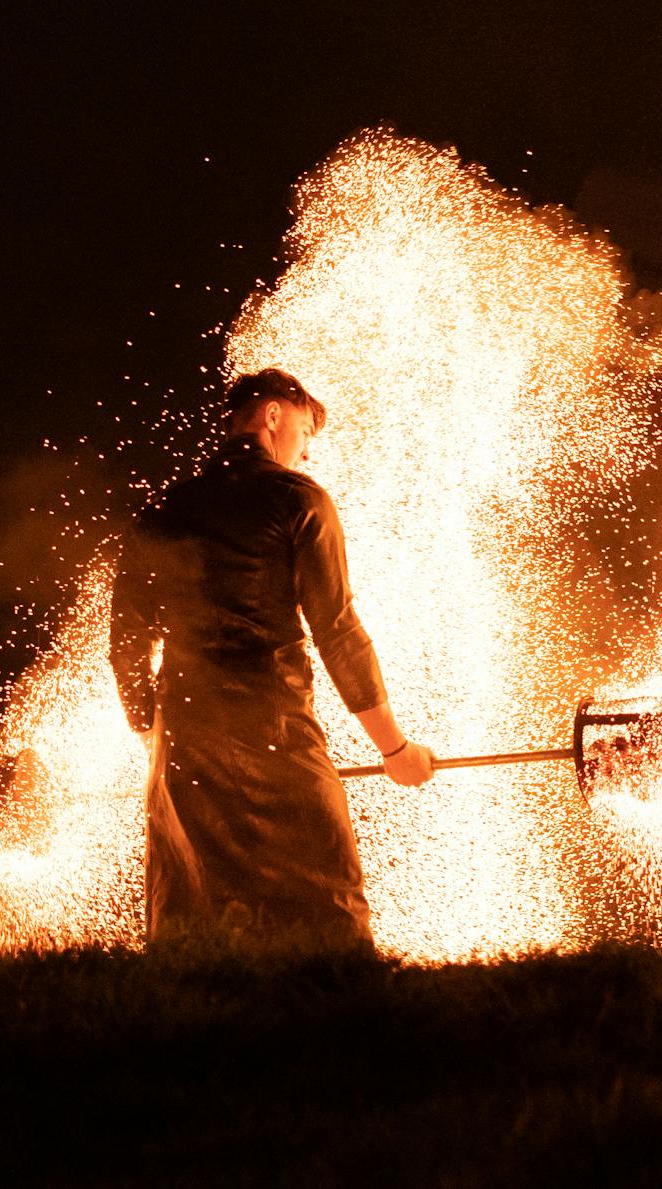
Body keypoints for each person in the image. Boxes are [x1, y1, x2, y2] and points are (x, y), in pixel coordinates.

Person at [108, 367, 436, 948]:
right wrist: (394, 749)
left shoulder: (166, 507)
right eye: (306, 432)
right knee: (324, 901)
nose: (306, 451)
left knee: (194, 916)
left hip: (183, 741)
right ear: (274, 415)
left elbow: (127, 640)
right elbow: (338, 632)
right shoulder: (297, 500)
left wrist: (152, 731)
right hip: (273, 729)